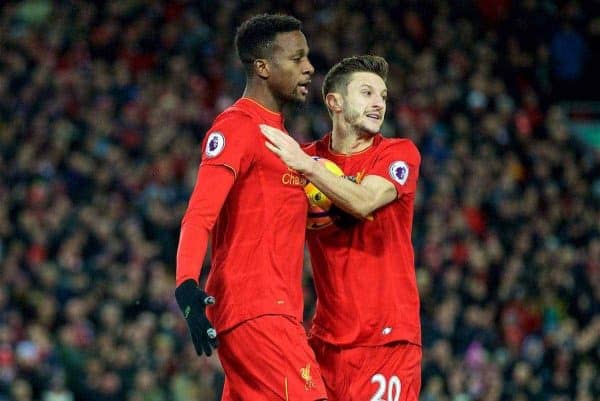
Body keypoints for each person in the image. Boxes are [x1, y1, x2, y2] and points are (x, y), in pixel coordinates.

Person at [175, 14, 328, 401]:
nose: (309, 67)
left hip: (275, 311)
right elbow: (199, 214)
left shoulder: (284, 144)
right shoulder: (237, 127)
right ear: (262, 67)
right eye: (296, 58)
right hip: (258, 311)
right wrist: (186, 288)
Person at [261, 55, 422, 401]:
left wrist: (308, 167)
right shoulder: (304, 160)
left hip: (387, 341)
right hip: (324, 344)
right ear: (335, 102)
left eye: (383, 96)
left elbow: (364, 201)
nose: (378, 103)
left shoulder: (397, 154)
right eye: (366, 93)